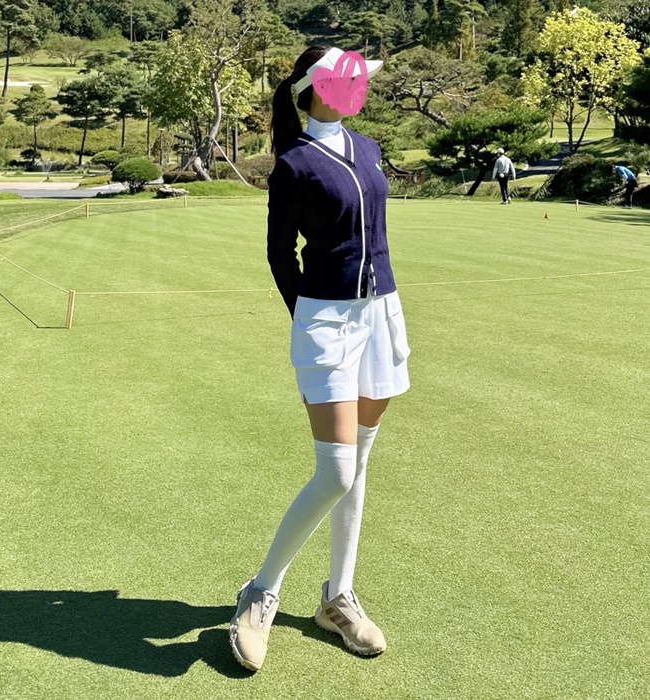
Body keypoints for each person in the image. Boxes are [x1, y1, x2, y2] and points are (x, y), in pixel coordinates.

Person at [228, 45, 411, 672]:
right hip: (326, 321)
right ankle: (261, 590)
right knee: (334, 472)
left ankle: (338, 598)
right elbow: (280, 254)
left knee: (358, 465)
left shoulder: (369, 147)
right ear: (317, 89)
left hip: (381, 313)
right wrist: (307, 316)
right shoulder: (295, 164)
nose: (360, 88)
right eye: (349, 80)